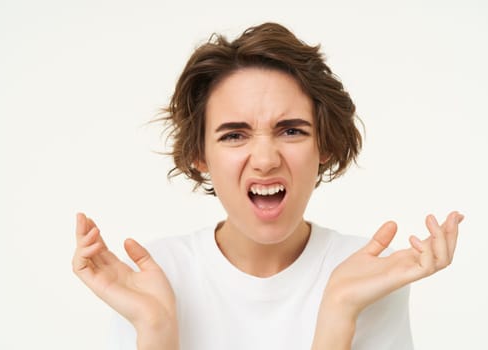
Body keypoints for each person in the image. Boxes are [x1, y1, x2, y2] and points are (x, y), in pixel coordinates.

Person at [72, 22, 464, 350]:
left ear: (324, 144)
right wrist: (156, 329)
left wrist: (339, 311)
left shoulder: (367, 277)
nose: (265, 159)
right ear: (200, 155)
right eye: (233, 136)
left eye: (291, 130)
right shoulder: (155, 278)